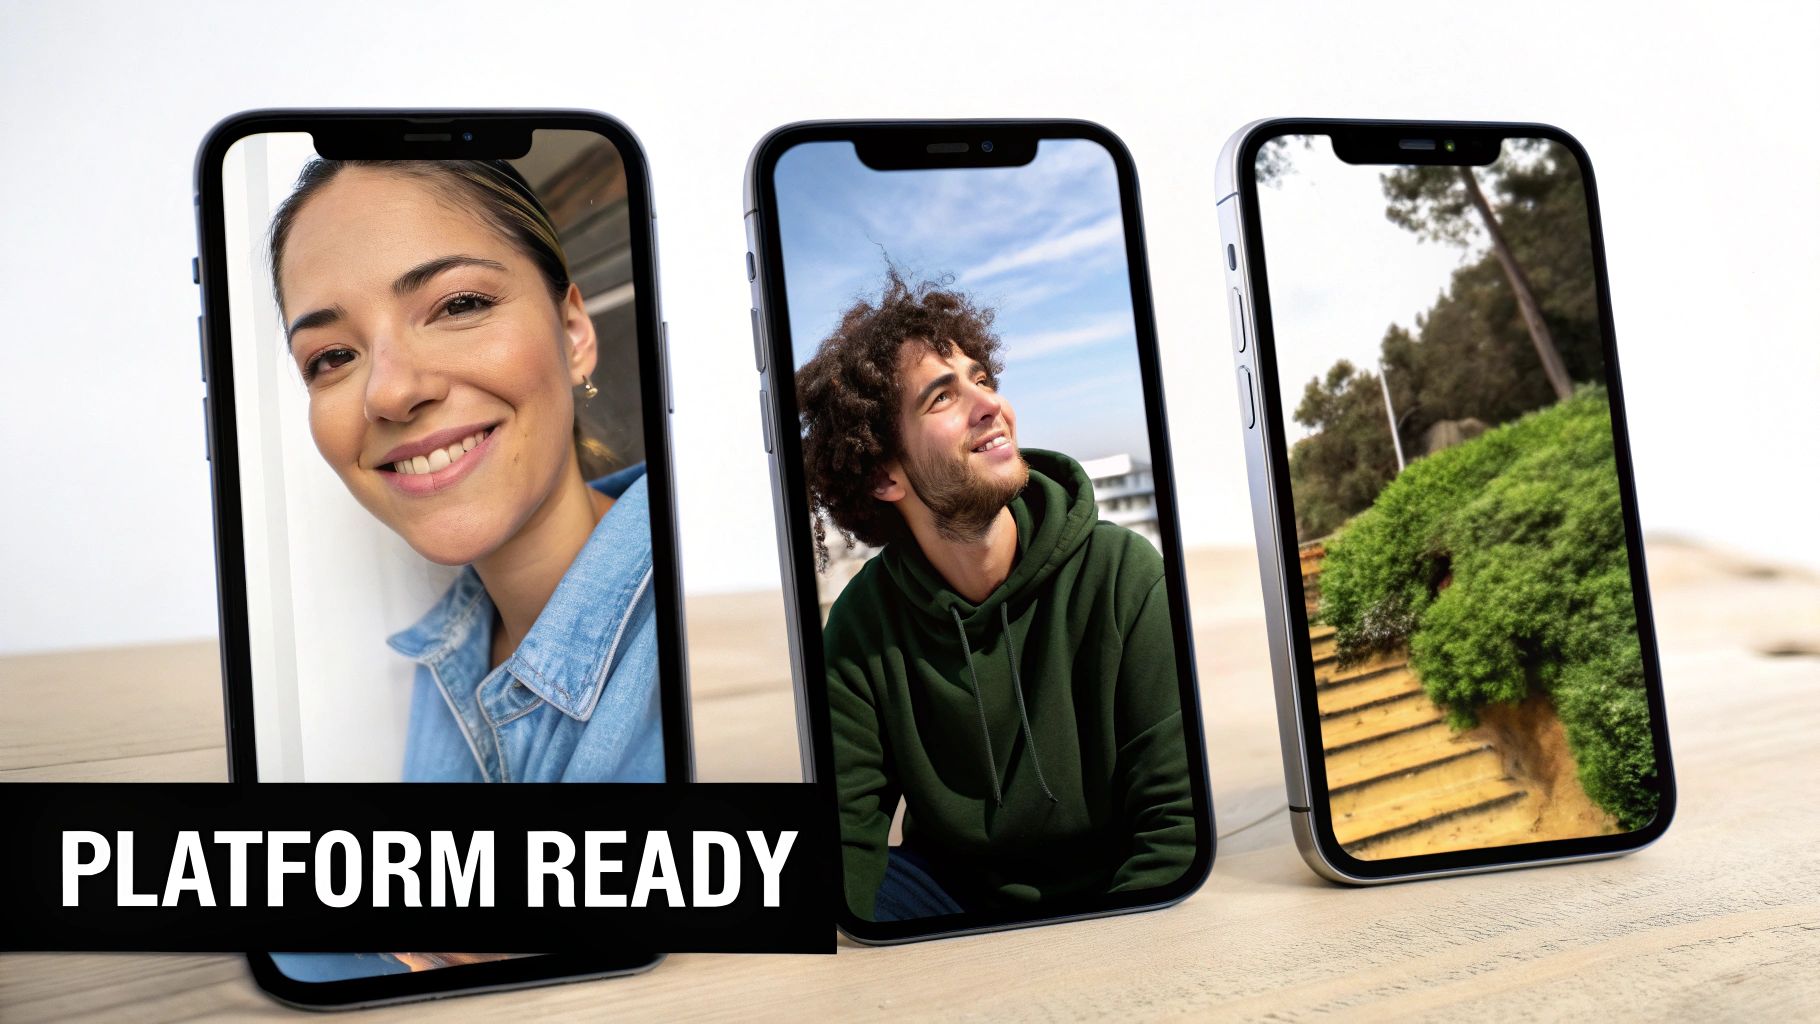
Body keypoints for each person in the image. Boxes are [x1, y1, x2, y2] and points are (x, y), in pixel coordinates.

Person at [796, 270, 1194, 921]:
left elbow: (1173, 831)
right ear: (883, 475)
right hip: (950, 895)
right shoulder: (864, 625)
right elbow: (849, 842)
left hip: (1112, 890)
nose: (990, 405)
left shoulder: (1123, 575)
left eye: (983, 379)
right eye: (941, 398)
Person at [267, 158, 662, 783]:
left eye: (458, 305)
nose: (390, 393)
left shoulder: (697, 627)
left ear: (572, 332)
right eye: (333, 356)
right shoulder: (441, 657)